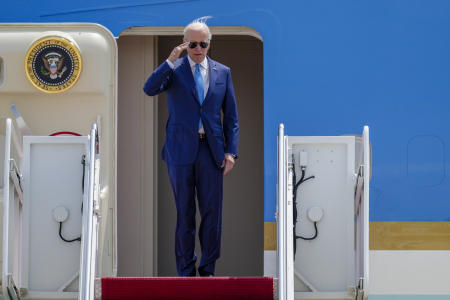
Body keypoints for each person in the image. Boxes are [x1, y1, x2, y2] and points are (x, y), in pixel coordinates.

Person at [143, 17, 239, 277]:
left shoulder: (223, 72)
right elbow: (149, 89)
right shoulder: (174, 70)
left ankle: (207, 270)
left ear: (209, 44)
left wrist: (231, 152)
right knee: (184, 214)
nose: (198, 49)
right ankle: (185, 271)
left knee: (211, 214)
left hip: (211, 152)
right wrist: (170, 60)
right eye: (193, 44)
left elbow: (230, 117)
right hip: (179, 151)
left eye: (203, 44)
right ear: (186, 44)